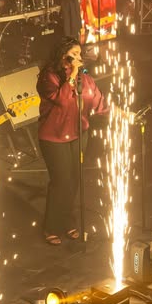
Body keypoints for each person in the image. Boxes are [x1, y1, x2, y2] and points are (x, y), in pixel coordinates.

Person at [36, 36, 107, 245]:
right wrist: (73, 74)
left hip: (79, 134)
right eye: (73, 54)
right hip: (54, 136)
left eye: (79, 54)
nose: (78, 57)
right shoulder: (49, 77)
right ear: (62, 56)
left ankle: (68, 222)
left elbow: (98, 101)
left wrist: (121, 114)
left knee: (75, 180)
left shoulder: (85, 79)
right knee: (61, 182)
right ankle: (51, 227)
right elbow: (63, 101)